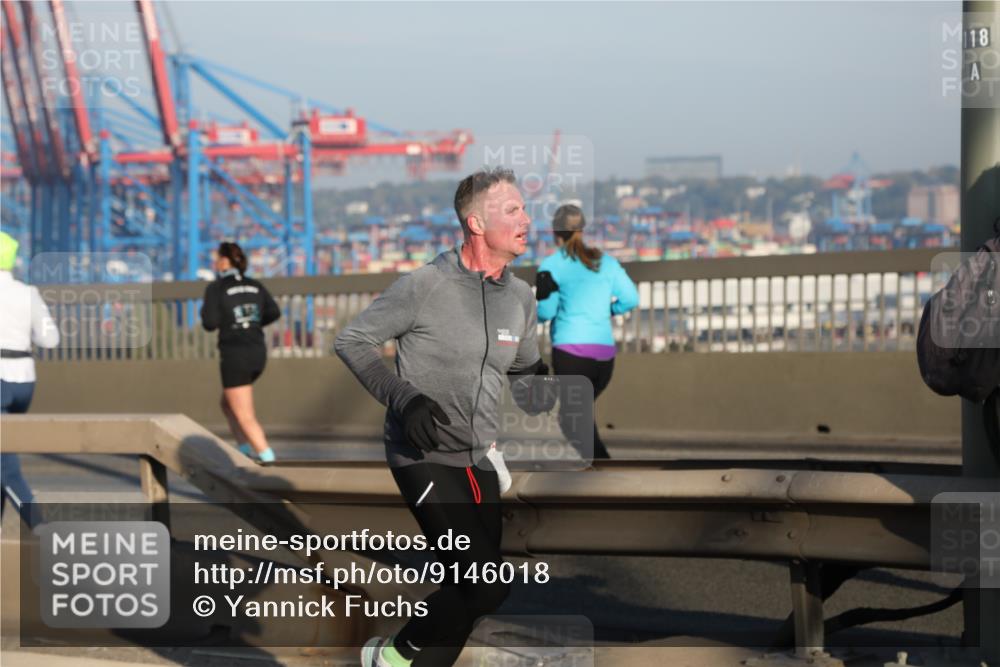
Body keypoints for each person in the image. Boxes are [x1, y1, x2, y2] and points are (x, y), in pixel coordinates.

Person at [336, 167, 553, 667]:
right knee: (481, 583)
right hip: (424, 456)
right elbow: (352, 341)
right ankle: (390, 656)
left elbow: (522, 364)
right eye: (514, 209)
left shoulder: (520, 298)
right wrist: (403, 398)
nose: (527, 218)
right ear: (476, 223)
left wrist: (539, 382)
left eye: (525, 208)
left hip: (480, 460)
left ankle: (400, 661)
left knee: (479, 591)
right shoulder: (425, 285)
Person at [536, 204, 639, 460]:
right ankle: (599, 473)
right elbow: (631, 298)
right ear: (581, 229)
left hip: (571, 355)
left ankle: (604, 471)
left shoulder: (550, 266)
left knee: (572, 420)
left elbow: (545, 313)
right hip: (604, 358)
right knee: (579, 416)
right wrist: (608, 310)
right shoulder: (606, 262)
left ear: (555, 232)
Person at [200, 242, 281, 464]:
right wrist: (252, 322)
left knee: (245, 415)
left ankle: (270, 461)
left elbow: (210, 322)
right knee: (227, 404)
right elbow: (274, 311)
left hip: (235, 354)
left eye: (217, 258)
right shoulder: (255, 285)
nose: (215, 262)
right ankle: (244, 451)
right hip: (257, 352)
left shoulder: (216, 288)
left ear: (225, 261)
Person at [0, 231, 60, 522]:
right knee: (2, 455)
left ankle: (41, 528)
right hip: (25, 381)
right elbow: (50, 340)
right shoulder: (28, 293)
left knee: (6, 467)